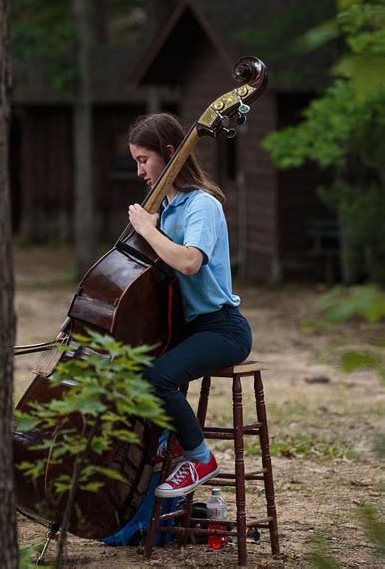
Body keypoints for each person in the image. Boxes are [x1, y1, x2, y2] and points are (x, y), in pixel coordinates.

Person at [127, 113, 252, 499]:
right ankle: (177, 442)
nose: (139, 171)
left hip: (222, 329)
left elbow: (189, 261)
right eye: (135, 162)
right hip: (189, 328)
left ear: (169, 153)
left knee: (157, 379)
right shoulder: (165, 211)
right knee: (129, 368)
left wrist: (148, 229)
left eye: (143, 160)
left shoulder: (202, 205)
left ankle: (199, 458)